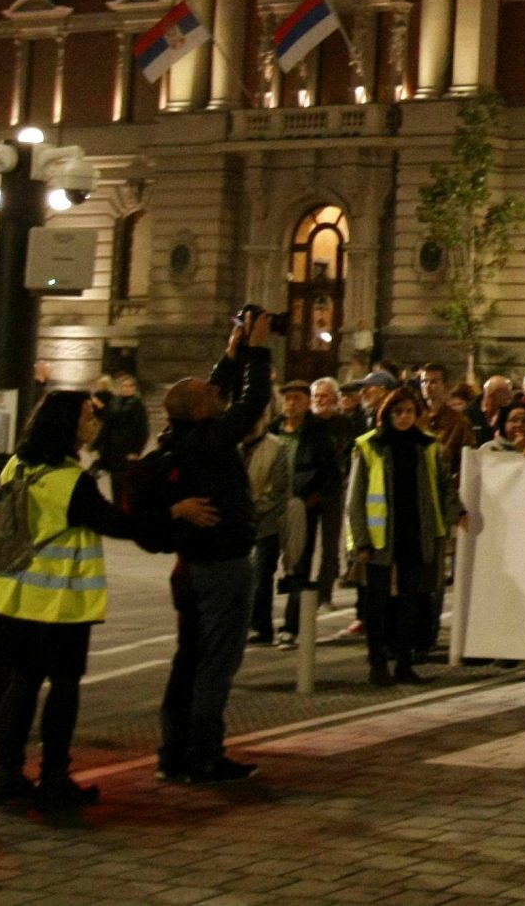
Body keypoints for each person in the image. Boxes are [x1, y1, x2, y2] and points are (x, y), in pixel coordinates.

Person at [0, 390, 212, 810]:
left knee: (22, 685)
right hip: (57, 603)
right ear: (67, 425)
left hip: (10, 596)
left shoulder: (19, 463)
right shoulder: (72, 483)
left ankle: (6, 775)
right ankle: (54, 778)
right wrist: (174, 512)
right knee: (63, 690)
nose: (95, 423)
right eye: (88, 416)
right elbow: (119, 524)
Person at [140, 312, 272, 785]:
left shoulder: (180, 436)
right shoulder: (213, 440)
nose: (219, 396)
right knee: (217, 662)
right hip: (223, 568)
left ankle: (172, 753)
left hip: (192, 568)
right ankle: (205, 756)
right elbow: (253, 401)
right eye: (211, 395)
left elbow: (212, 395)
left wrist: (230, 356)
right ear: (199, 410)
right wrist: (258, 351)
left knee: (188, 660)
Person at [345, 389, 457, 685]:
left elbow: (444, 486)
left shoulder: (428, 445)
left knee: (411, 602)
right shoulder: (369, 445)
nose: (404, 417)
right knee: (377, 603)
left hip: (415, 533)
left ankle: (405, 664)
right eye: (398, 412)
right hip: (380, 538)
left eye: (409, 411)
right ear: (387, 414)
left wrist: (451, 517)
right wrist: (361, 540)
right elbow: (355, 498)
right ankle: (378, 663)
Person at [282, 376, 350, 646]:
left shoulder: (341, 425)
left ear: (335, 400)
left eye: (325, 397)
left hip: (329, 493)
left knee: (330, 546)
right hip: (303, 499)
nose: (320, 401)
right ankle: (295, 608)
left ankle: (323, 594)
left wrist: (323, 490)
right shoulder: (304, 426)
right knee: (300, 553)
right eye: (316, 397)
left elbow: (339, 461)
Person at [241, 392, 294, 648]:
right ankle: (242, 623)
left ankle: (261, 626)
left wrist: (252, 510)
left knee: (262, 576)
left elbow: (277, 489)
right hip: (237, 523)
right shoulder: (233, 445)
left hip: (266, 523)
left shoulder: (277, 447)